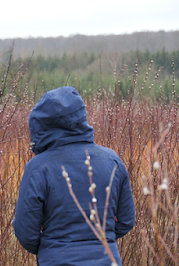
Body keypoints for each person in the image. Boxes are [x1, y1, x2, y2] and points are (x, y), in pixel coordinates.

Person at [13, 86, 135, 266]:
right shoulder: (112, 161)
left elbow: (25, 232)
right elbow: (126, 220)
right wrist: (99, 241)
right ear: (81, 117)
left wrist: (52, 247)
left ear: (41, 124)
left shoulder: (38, 168)